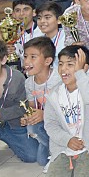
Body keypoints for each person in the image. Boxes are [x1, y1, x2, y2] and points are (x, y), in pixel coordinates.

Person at [43, 45, 89, 177]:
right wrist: (67, 140)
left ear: (85, 67)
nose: (63, 69)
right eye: (61, 64)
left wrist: (81, 73)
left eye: (70, 64)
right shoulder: (54, 93)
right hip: (64, 147)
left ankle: (85, 163)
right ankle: (72, 163)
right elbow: (50, 124)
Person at [0, 39, 38, 163]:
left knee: (32, 156)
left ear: (3, 60)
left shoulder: (17, 78)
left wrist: (3, 113)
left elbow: (24, 106)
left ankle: (11, 140)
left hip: (14, 124)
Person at [22, 37, 60, 168]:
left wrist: (44, 114)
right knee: (41, 160)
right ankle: (55, 151)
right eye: (25, 56)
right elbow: (32, 107)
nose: (26, 61)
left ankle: (59, 151)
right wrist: (28, 117)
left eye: (33, 57)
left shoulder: (58, 80)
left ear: (48, 61)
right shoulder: (28, 82)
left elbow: (64, 111)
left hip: (61, 124)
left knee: (43, 160)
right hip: (44, 124)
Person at [32, 1, 66, 69]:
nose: (42, 21)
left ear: (59, 20)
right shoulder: (36, 38)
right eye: (39, 18)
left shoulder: (67, 38)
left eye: (47, 17)